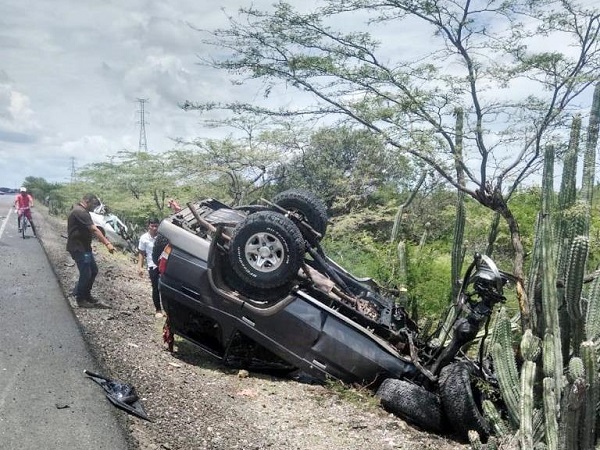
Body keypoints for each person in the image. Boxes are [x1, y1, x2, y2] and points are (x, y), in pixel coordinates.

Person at [66, 193, 115, 308]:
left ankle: (87, 295)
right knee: (86, 273)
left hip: (85, 248)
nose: (94, 207)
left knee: (93, 270)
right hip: (78, 248)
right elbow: (94, 229)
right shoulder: (80, 212)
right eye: (93, 204)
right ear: (87, 201)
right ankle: (80, 299)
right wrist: (107, 243)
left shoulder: (83, 211)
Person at [137, 218, 164, 318]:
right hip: (152, 265)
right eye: (152, 226)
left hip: (163, 264)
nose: (154, 228)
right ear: (148, 226)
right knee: (155, 287)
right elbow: (141, 253)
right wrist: (140, 267)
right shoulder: (144, 238)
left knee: (163, 288)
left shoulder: (162, 237)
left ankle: (167, 309)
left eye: (156, 226)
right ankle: (158, 309)